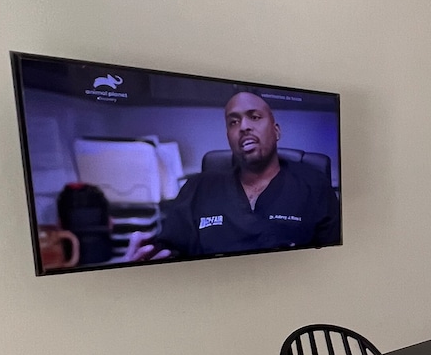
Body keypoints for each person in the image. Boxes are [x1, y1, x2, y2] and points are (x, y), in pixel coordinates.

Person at [126, 90, 339, 261]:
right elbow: (170, 254)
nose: (244, 126)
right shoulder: (197, 188)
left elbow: (334, 261)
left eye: (254, 117)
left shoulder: (313, 184)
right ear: (229, 137)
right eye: (233, 122)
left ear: (276, 132)